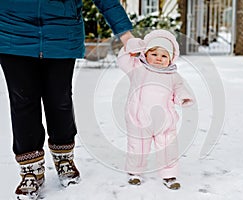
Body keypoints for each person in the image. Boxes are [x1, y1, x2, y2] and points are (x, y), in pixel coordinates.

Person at [0, 1, 133, 199]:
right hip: (13, 33)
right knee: (23, 102)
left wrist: (126, 34)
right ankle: (30, 169)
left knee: (59, 101)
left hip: (61, 34)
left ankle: (64, 159)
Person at [117, 30, 194, 190]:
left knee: (168, 148)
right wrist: (129, 47)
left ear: (171, 59)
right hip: (138, 119)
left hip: (164, 122)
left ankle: (170, 175)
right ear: (146, 54)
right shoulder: (137, 68)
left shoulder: (173, 75)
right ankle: (134, 172)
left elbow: (179, 88)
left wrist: (183, 97)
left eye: (164, 56)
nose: (159, 58)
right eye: (154, 54)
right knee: (137, 147)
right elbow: (123, 61)